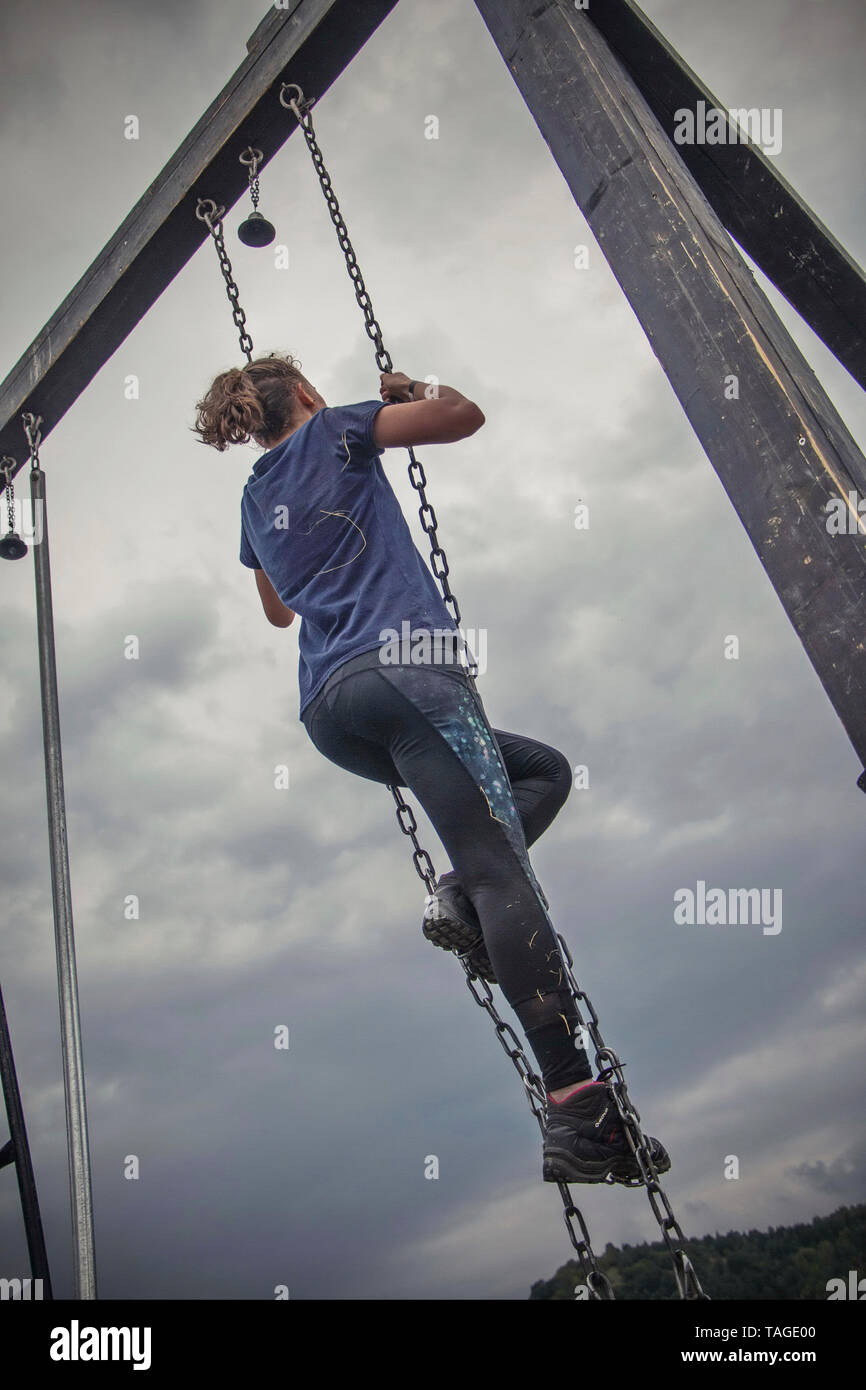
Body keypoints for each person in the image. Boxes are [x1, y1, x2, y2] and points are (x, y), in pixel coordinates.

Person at [193, 352, 670, 1185]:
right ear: (304, 394)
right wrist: (412, 394)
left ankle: (457, 894)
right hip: (408, 670)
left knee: (543, 773)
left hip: (332, 710)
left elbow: (277, 609)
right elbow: (463, 416)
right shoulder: (342, 427)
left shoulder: (252, 497)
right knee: (501, 872)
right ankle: (578, 1110)